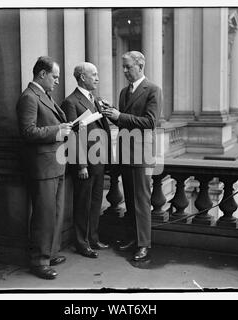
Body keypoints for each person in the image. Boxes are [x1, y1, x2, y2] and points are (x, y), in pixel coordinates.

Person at [16, 56, 72, 280]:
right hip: (42, 167)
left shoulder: (43, 95)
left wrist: (63, 128)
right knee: (44, 215)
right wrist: (58, 130)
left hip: (53, 164)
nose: (57, 81)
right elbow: (27, 132)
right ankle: (39, 261)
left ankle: (49, 253)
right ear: (42, 74)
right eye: (55, 76)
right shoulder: (29, 97)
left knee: (54, 213)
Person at [102, 51, 162, 261]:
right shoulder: (123, 92)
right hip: (126, 153)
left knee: (141, 201)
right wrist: (111, 114)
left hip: (142, 154)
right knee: (129, 199)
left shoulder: (153, 90)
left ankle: (143, 244)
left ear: (140, 65)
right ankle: (132, 238)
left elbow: (150, 122)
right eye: (124, 67)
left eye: (128, 67)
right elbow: (124, 122)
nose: (125, 71)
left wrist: (120, 115)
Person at [61, 62, 111, 259]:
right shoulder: (71, 102)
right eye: (94, 74)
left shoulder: (95, 100)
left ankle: (93, 238)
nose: (98, 78)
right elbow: (73, 136)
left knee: (96, 202)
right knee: (83, 203)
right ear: (82, 77)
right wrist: (81, 164)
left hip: (99, 160)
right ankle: (82, 243)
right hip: (85, 164)